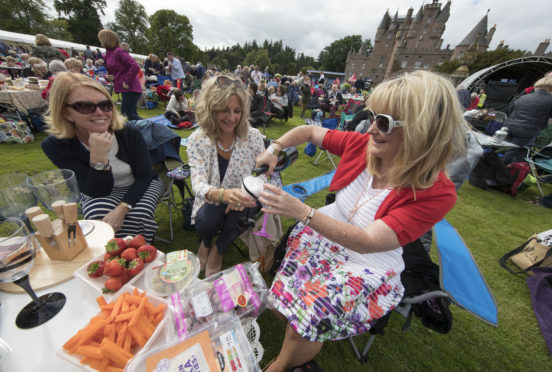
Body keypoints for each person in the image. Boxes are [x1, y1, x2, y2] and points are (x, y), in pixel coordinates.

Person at [255, 70, 466, 372]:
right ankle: (299, 336)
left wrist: (301, 211)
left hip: (365, 261)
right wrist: (274, 149)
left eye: (384, 122)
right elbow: (308, 131)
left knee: (309, 316)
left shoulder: (436, 192)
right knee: (290, 301)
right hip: (320, 238)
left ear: (422, 132)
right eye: (373, 116)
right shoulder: (364, 146)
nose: (370, 129)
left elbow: (367, 242)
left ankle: (279, 366)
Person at [41, 72, 164, 242]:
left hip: (142, 183)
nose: (100, 112)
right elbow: (96, 191)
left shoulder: (129, 133)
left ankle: (140, 252)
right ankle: (111, 254)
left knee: (139, 213)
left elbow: (144, 176)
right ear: (65, 113)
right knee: (98, 215)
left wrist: (122, 208)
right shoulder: (56, 145)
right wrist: (99, 157)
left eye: (106, 105)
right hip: (98, 189)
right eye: (85, 106)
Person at [187, 74, 265, 277]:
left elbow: (268, 177)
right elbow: (197, 183)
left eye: (237, 111)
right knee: (208, 219)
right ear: (211, 109)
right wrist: (222, 195)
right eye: (224, 110)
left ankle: (218, 249)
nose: (232, 118)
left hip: (247, 196)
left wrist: (246, 195)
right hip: (213, 198)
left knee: (241, 213)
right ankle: (206, 242)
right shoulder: (197, 139)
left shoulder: (254, 136)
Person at [500, 77, 552, 164]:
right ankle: (496, 171)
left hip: (509, 125)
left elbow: (511, 109)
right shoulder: (550, 99)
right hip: (526, 130)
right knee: (511, 153)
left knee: (503, 148)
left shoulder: (524, 97)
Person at [98, 29, 142, 121]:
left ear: (107, 39)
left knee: (127, 114)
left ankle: (153, 128)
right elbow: (111, 72)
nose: (100, 41)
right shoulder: (107, 55)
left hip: (131, 87)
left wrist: (127, 81)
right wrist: (107, 77)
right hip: (123, 88)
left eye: (101, 39)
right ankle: (140, 132)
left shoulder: (119, 52)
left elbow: (135, 66)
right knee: (131, 114)